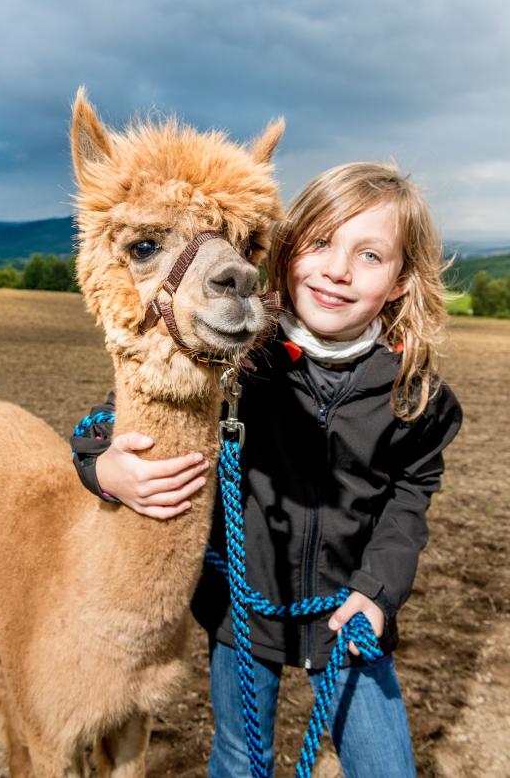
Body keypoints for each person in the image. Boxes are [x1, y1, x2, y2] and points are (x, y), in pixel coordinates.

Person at [71, 162, 462, 778]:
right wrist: (100, 466)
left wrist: (379, 589)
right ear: (284, 253)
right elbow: (109, 419)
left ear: (399, 283)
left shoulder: (415, 395)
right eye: (321, 243)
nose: (338, 269)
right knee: (239, 757)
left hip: (349, 614)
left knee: (385, 767)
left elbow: (411, 495)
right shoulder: (234, 360)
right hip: (244, 612)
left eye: (368, 255)